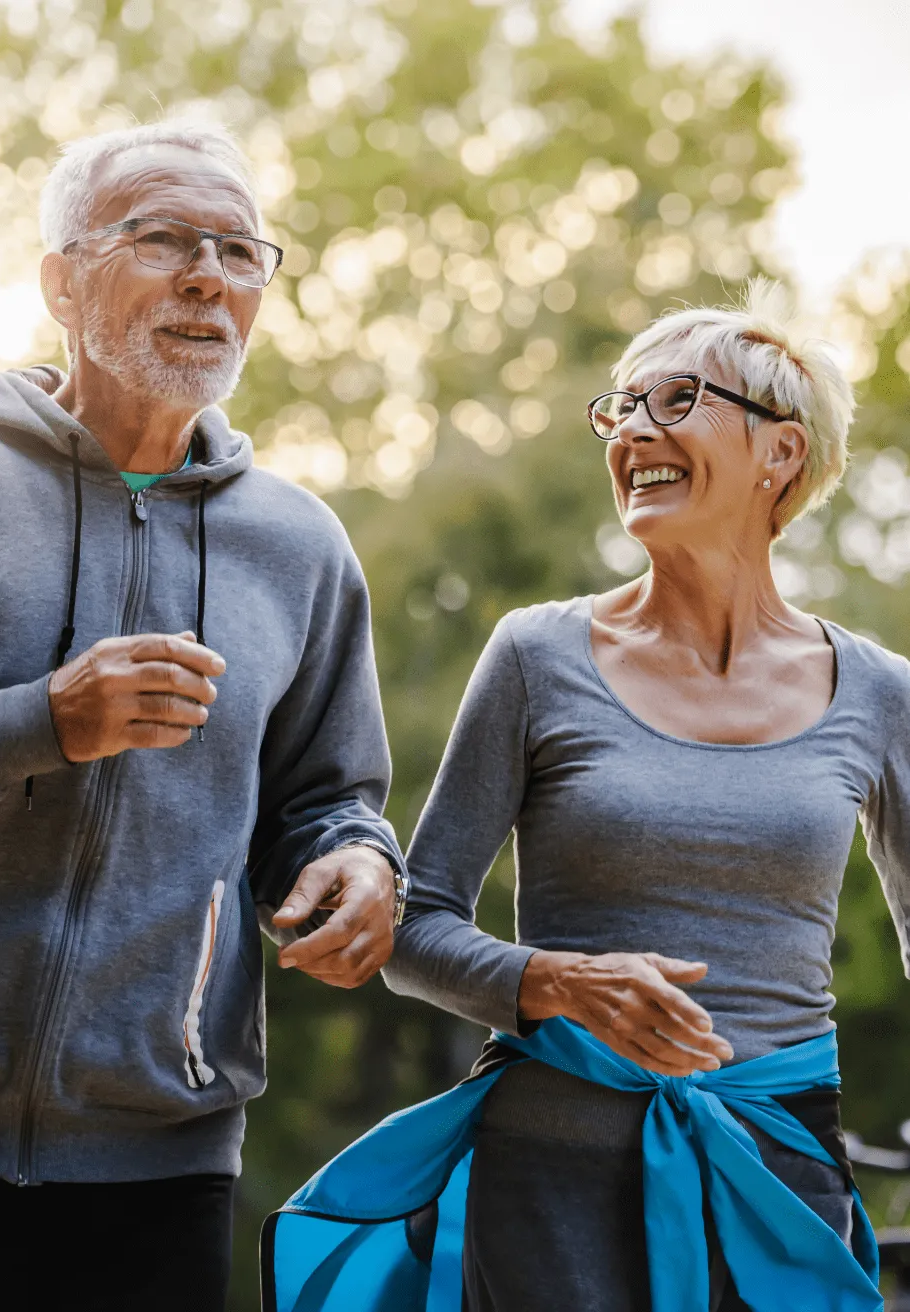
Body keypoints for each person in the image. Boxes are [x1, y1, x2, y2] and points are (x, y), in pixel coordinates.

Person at [263, 282, 895, 1311]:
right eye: (622, 408)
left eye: (678, 400)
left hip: (779, 1180)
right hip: (545, 1192)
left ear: (780, 453)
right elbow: (414, 928)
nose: (635, 429)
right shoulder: (535, 654)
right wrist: (559, 982)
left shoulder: (878, 690)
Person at [0, 120, 407, 1312]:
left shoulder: (298, 544)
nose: (209, 277)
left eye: (242, 253)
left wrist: (355, 860)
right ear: (61, 280)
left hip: (164, 1155)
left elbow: (327, 796)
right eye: (166, 239)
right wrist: (40, 722)